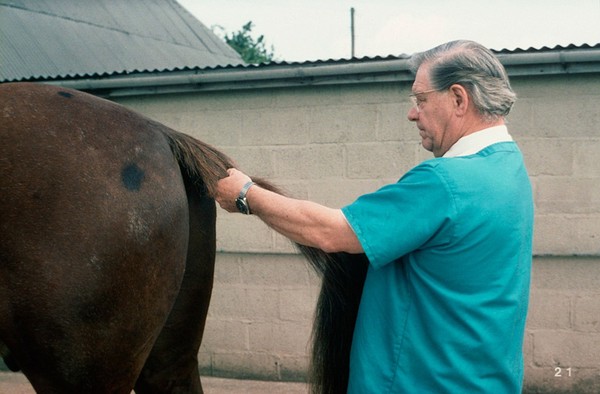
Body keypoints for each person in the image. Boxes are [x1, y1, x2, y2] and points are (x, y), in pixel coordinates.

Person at [216, 40, 534, 393]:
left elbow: (329, 232)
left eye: (421, 99)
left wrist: (247, 194)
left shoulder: (447, 183)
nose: (413, 113)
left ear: (459, 99)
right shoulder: (510, 167)